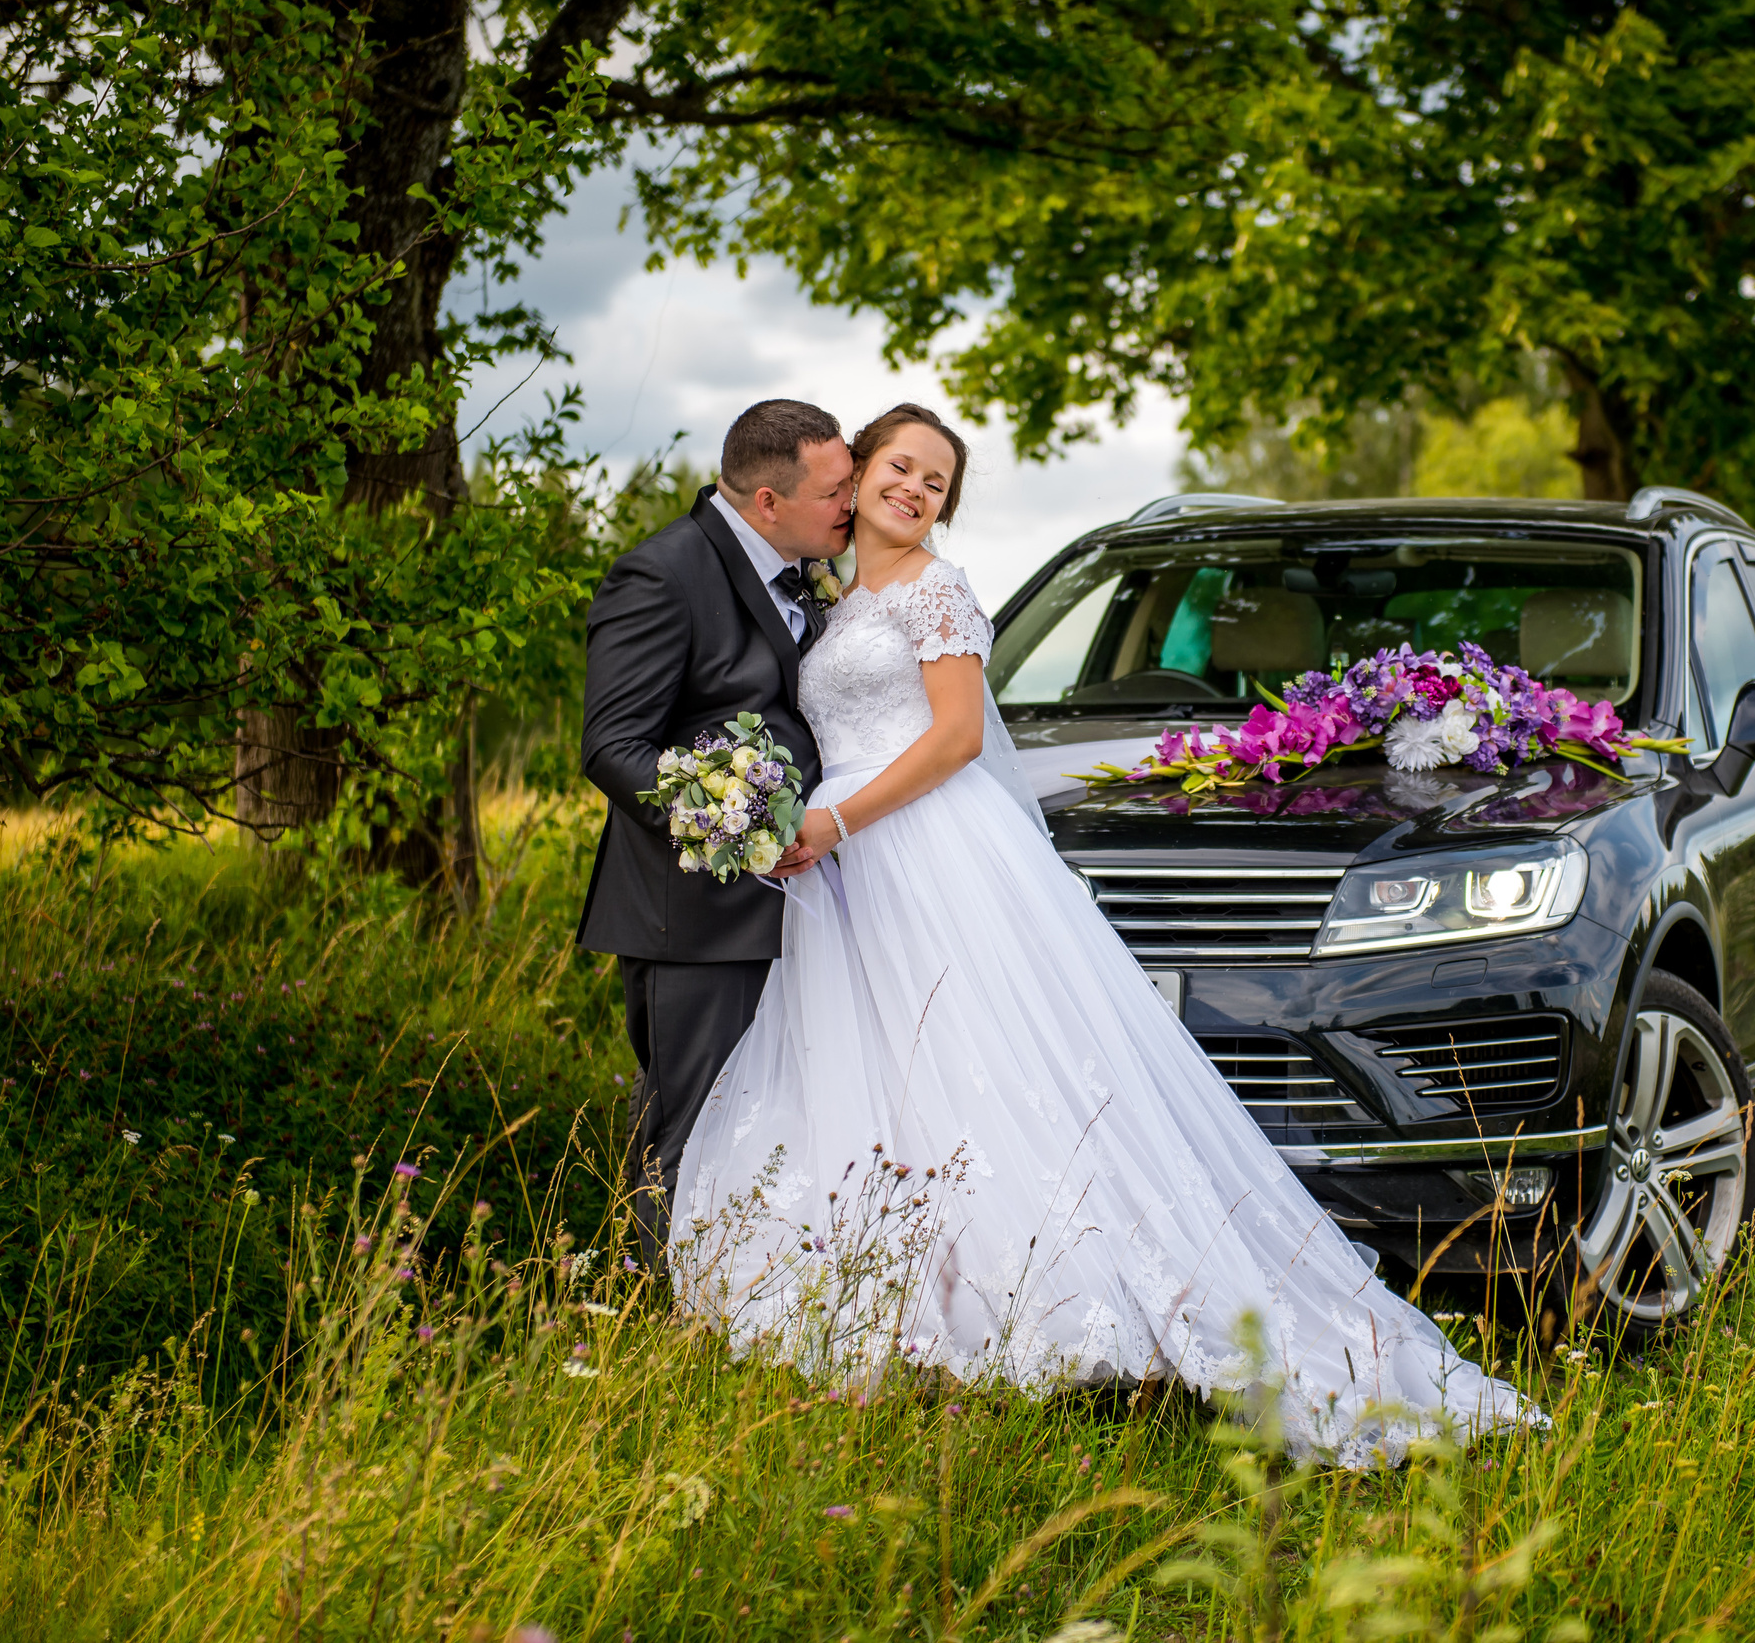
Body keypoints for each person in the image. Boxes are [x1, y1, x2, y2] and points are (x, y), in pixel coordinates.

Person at [669, 403, 1537, 1464]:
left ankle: (1079, 1301)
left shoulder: (938, 590)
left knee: (984, 1068)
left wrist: (836, 815)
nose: (915, 490)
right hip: (854, 865)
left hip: (922, 842)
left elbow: (950, 740)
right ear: (855, 479)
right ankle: (907, 1312)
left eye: (937, 481)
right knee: (892, 1073)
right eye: (899, 467)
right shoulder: (840, 601)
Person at [577, 399, 854, 1270]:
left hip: (788, 907)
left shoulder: (802, 567)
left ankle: (742, 1307)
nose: (850, 504)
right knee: (687, 1128)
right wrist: (739, 828)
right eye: (835, 489)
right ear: (767, 502)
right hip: (694, 910)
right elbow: (613, 745)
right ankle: (654, 1319)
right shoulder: (661, 574)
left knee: (764, 1123)